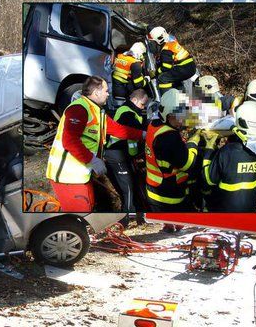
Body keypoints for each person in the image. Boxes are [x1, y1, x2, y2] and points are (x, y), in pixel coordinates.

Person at [46, 76, 109, 212]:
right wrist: (93, 160)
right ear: (97, 93)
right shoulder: (79, 109)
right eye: (106, 91)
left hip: (79, 175)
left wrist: (144, 134)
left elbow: (115, 128)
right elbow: (69, 141)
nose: (108, 94)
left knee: (89, 207)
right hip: (66, 178)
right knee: (81, 213)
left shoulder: (95, 111)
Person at [201, 101, 256, 212]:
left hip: (222, 211)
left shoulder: (228, 152)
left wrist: (209, 150)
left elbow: (208, 179)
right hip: (248, 211)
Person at [144, 89, 200, 220]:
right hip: (168, 197)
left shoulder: (154, 124)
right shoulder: (169, 137)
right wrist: (193, 142)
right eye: (181, 116)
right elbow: (188, 164)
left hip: (154, 190)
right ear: (169, 115)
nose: (184, 119)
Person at [104, 88, 149, 225]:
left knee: (131, 186)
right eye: (142, 104)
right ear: (134, 100)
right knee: (127, 188)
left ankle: (138, 217)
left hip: (124, 155)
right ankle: (123, 221)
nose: (143, 108)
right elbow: (133, 130)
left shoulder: (134, 111)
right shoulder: (127, 113)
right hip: (115, 154)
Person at [148, 26, 197, 95]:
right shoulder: (172, 43)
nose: (153, 44)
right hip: (190, 66)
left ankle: (166, 99)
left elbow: (166, 67)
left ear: (158, 40)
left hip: (184, 68)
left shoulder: (166, 50)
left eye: (153, 42)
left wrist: (156, 72)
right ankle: (182, 95)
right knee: (173, 78)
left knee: (162, 78)